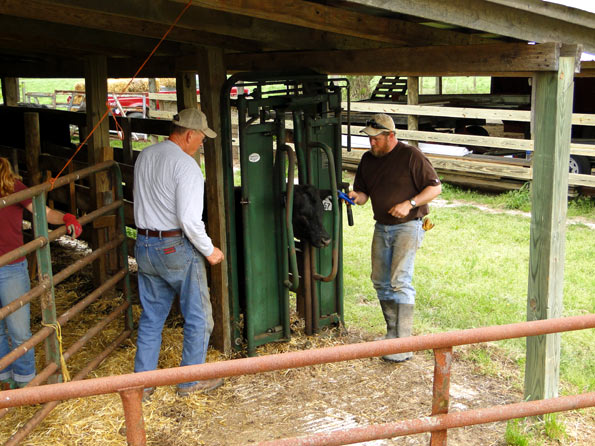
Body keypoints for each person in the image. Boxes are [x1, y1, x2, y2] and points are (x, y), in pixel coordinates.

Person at [133, 108, 225, 399]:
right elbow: (189, 220)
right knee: (200, 317)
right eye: (201, 138)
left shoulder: (146, 155)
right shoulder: (186, 167)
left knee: (151, 318)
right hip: (174, 248)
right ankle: (189, 382)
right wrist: (209, 250)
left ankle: (143, 386)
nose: (201, 144)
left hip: (144, 246)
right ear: (188, 135)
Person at [348, 114, 441, 362]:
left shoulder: (411, 155)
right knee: (380, 280)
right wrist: (354, 197)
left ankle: (404, 343)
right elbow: (364, 194)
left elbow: (435, 188)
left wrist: (409, 203)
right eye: (369, 139)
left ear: (391, 136)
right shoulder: (368, 159)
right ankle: (392, 334)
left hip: (408, 226)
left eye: (376, 139)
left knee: (400, 281)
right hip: (382, 226)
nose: (371, 144)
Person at [0, 157, 82, 390]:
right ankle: (4, 379)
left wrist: (66, 218)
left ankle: (26, 383)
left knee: (18, 330)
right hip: (9, 268)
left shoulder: (13, 187)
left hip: (11, 268)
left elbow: (43, 212)